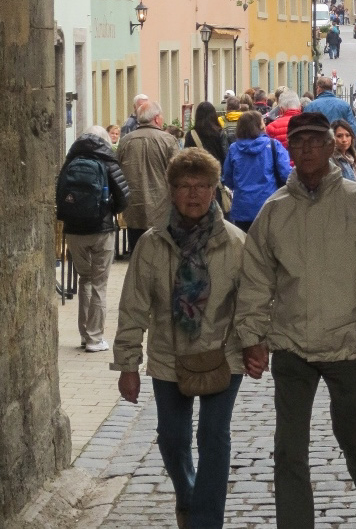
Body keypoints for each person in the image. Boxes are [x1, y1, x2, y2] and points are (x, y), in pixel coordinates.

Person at [235, 112, 356, 529]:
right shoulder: (274, 212)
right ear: (288, 150)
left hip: (349, 345)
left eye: (315, 140)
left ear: (333, 146)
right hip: (291, 346)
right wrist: (252, 337)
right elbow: (255, 282)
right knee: (289, 448)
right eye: (299, 142)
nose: (306, 148)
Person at [113, 149, 245, 529]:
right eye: (185, 186)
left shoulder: (235, 244)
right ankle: (188, 497)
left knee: (213, 436)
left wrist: (254, 341)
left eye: (202, 186)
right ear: (172, 192)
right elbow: (133, 307)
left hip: (223, 353)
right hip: (169, 356)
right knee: (172, 439)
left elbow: (253, 301)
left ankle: (205, 522)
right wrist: (127, 365)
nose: (193, 194)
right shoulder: (152, 246)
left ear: (214, 191)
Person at [56, 125, 129, 352]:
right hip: (101, 230)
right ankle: (95, 339)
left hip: (75, 231)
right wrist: (109, 211)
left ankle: (83, 335)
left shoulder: (71, 160)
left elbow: (59, 193)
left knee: (84, 280)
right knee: (99, 284)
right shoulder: (108, 160)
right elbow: (124, 196)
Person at [117, 101, 180, 253]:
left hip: (134, 206)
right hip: (161, 207)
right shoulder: (168, 140)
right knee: (161, 254)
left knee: (138, 254)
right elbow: (178, 172)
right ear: (157, 118)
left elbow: (116, 169)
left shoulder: (126, 141)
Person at [222, 110, 292, 232]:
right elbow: (286, 174)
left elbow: (227, 178)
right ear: (260, 126)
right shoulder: (273, 146)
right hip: (268, 205)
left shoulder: (234, 149)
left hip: (242, 208)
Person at [305, 75, 356, 149]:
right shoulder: (344, 105)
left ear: (319, 88)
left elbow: (306, 128)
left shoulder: (311, 106)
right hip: (339, 146)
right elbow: (352, 127)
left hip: (319, 147)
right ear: (331, 88)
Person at [184, 101, 229, 166]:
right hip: (216, 172)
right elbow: (225, 156)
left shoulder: (191, 134)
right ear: (214, 115)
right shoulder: (220, 133)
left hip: (197, 172)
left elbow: (186, 156)